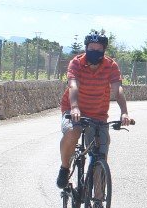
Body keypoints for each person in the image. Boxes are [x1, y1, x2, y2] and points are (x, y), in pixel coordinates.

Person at [56, 32, 131, 189]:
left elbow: (117, 90)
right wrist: (75, 107)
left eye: (98, 49)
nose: (94, 52)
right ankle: (64, 168)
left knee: (100, 155)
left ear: (104, 50)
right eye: (91, 48)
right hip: (73, 109)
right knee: (73, 132)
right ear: (86, 48)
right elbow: (73, 86)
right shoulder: (76, 63)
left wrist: (124, 111)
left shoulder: (111, 66)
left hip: (98, 114)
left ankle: (97, 201)